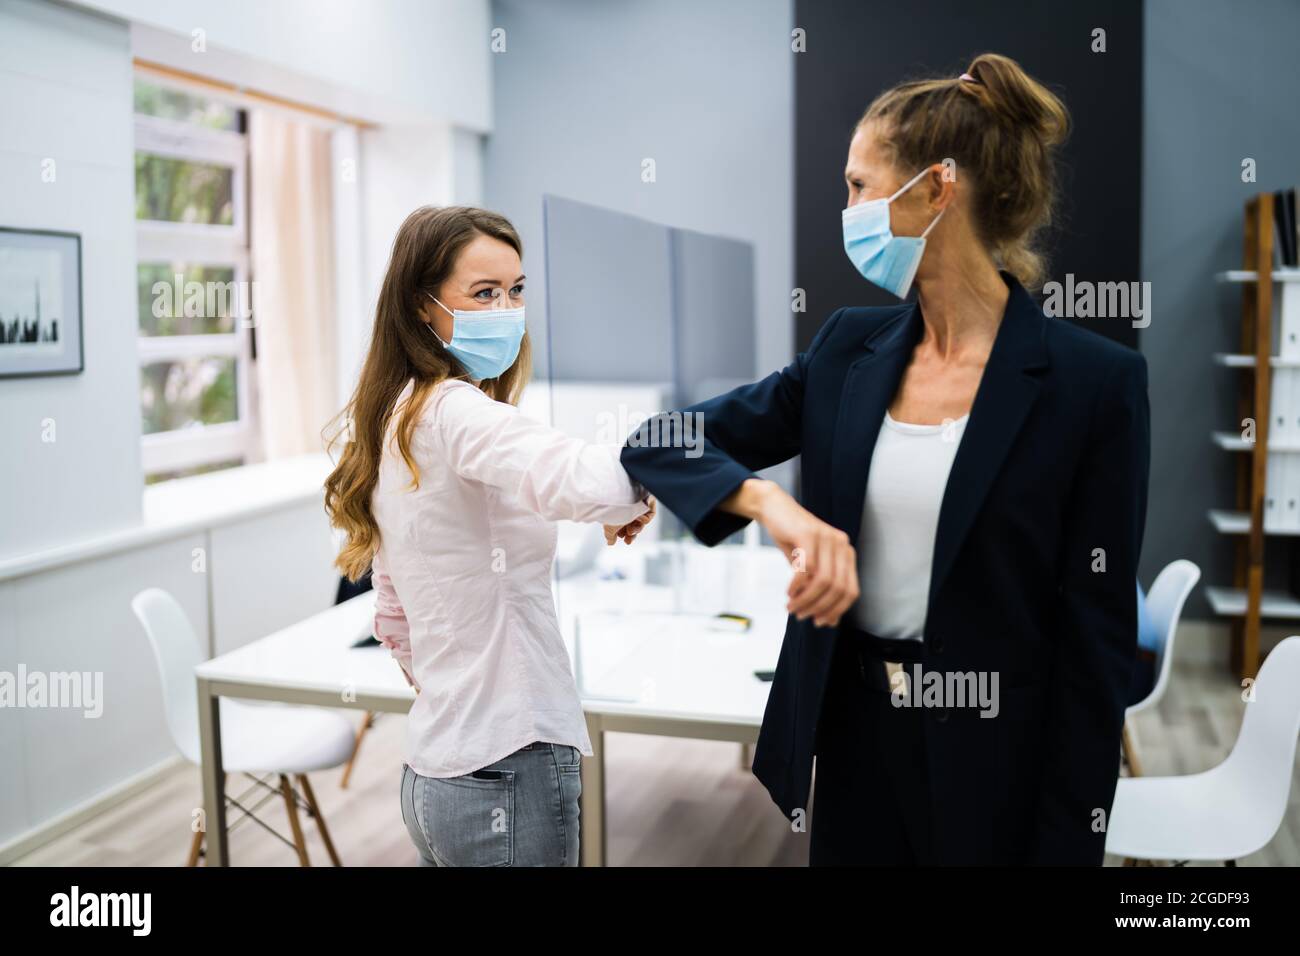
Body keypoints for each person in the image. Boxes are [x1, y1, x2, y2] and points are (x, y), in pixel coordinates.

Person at [621, 53, 1150, 865]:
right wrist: (775, 507)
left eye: (860, 186)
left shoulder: (1093, 384)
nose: (848, 208)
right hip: (855, 739)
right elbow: (661, 441)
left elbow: (1096, 646)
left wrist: (1068, 843)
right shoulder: (846, 349)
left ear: (938, 189)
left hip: (997, 761)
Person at [324, 206, 655, 867]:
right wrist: (650, 477)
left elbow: (392, 614)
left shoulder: (399, 414)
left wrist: (459, 690)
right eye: (484, 293)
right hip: (508, 766)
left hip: (437, 774)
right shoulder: (455, 411)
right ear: (423, 307)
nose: (507, 309)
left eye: (516, 290)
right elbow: (586, 479)